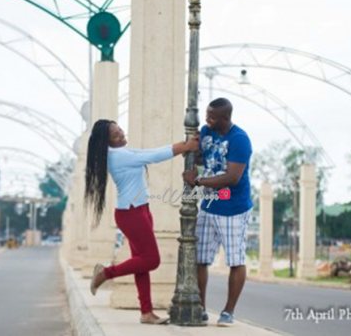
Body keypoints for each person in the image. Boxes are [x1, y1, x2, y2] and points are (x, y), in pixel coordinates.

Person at [85, 119, 198, 325]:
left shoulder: (122, 153)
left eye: (119, 129)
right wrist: (186, 146)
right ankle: (106, 273)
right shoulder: (119, 156)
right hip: (131, 214)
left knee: (142, 263)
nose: (120, 133)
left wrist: (184, 145)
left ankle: (146, 312)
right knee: (152, 260)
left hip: (140, 210)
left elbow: (150, 152)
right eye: (115, 134)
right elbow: (153, 155)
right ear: (107, 141)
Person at [182, 98, 252, 327]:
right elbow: (205, 156)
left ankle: (228, 312)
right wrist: (190, 150)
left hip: (233, 208)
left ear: (225, 118)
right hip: (209, 206)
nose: (206, 119)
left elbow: (232, 178)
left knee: (235, 260)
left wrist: (198, 181)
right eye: (206, 114)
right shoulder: (206, 131)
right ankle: (201, 309)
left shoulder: (240, 139)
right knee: (200, 259)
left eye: (212, 117)